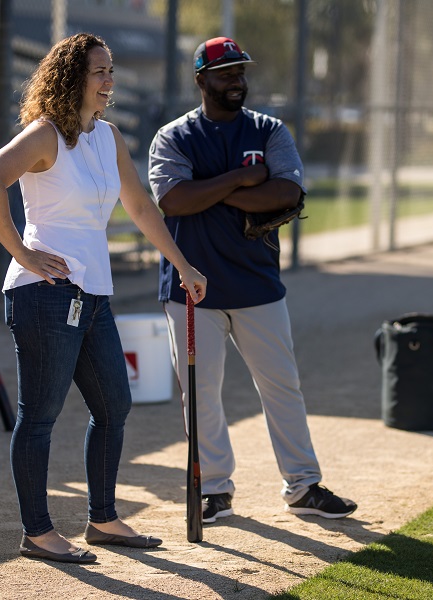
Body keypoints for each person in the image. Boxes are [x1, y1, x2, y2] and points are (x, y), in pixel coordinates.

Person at [0, 33, 207, 564]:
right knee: (40, 416)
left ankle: (102, 519)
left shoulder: (107, 137)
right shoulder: (44, 135)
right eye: (99, 71)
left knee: (114, 405)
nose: (109, 81)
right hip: (44, 295)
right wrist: (25, 254)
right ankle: (37, 532)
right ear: (71, 77)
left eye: (111, 72)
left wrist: (183, 264)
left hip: (94, 295)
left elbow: (141, 207)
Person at [148, 36, 357, 523]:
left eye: (240, 71)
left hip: (258, 283)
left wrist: (209, 189)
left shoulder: (269, 130)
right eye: (225, 74)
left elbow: (286, 193)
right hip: (191, 288)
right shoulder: (174, 137)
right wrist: (241, 181)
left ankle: (303, 486)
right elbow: (173, 201)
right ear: (202, 80)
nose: (237, 81)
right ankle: (215, 489)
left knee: (283, 386)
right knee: (201, 394)